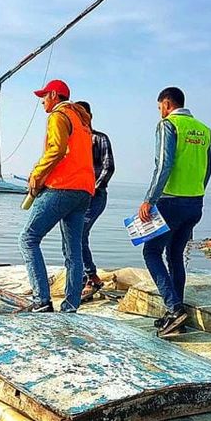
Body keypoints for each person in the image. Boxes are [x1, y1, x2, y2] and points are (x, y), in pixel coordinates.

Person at [138, 86, 211, 336]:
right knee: (175, 255)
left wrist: (149, 199)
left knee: (151, 252)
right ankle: (176, 313)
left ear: (167, 104)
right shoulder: (204, 130)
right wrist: (196, 194)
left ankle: (174, 308)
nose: (159, 111)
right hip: (195, 203)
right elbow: (207, 170)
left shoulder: (168, 125)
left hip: (170, 202)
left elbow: (163, 165)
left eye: (159, 106)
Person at [19, 80, 95, 312]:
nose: (42, 101)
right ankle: (71, 305)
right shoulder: (81, 120)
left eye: (44, 96)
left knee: (28, 239)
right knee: (73, 251)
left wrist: (36, 175)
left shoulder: (58, 115)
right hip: (84, 191)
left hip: (62, 187)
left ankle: (41, 301)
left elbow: (57, 149)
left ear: (54, 95)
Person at [74, 101, 115, 299]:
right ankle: (87, 276)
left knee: (79, 234)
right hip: (75, 196)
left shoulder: (99, 139)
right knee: (74, 235)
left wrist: (93, 188)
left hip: (94, 196)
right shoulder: (73, 140)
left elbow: (108, 167)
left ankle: (90, 277)